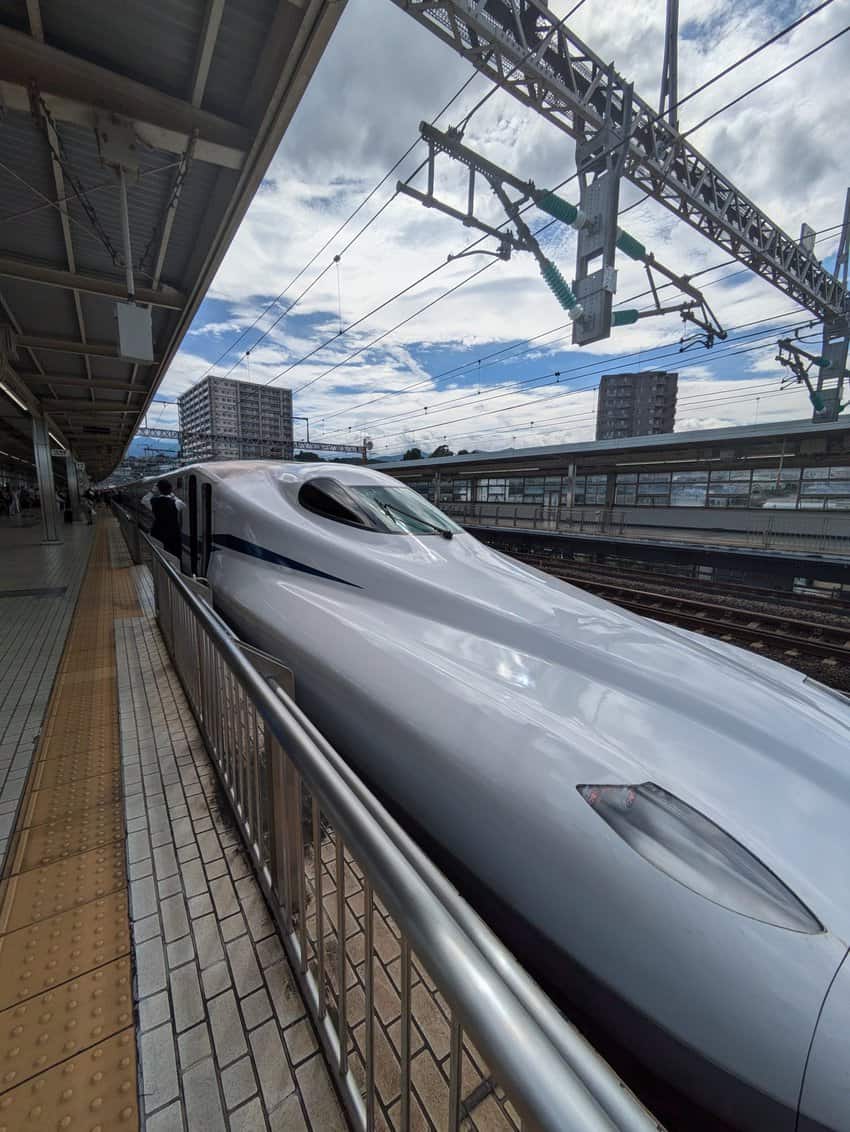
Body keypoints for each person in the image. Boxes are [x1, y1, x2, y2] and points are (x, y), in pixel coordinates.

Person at [144, 479, 184, 558]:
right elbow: (182, 504)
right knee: (174, 554)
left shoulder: (154, 501)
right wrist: (172, 495)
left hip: (158, 531)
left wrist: (152, 491)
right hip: (173, 533)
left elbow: (144, 500)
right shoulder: (176, 502)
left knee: (160, 553)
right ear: (170, 489)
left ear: (158, 490)